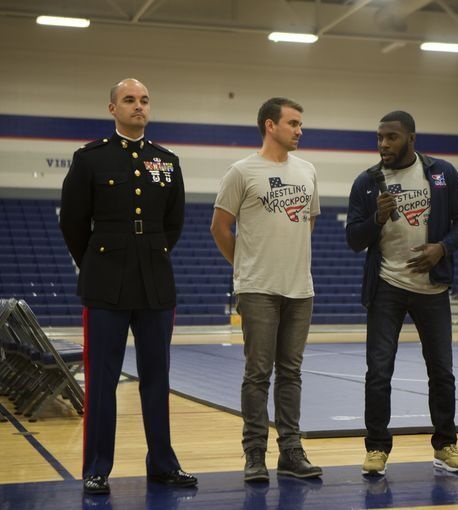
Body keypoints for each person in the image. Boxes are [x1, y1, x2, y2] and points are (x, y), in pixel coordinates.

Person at [60, 78, 197, 494]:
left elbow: (173, 223)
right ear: (112, 108)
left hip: (155, 282)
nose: (139, 106)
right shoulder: (90, 159)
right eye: (130, 100)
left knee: (157, 378)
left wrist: (149, 252)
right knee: (102, 381)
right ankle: (97, 467)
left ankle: (162, 463)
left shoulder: (166, 160)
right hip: (106, 284)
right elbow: (73, 222)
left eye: (144, 100)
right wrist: (99, 261)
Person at [346, 111, 458, 476]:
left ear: (411, 139)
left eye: (391, 137)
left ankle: (446, 445)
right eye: (379, 138)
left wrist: (442, 248)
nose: (383, 144)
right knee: (379, 372)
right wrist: (375, 219)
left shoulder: (441, 173)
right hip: (386, 287)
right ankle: (376, 448)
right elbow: (354, 239)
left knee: (442, 372)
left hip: (432, 288)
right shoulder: (367, 182)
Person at [210, 97, 322, 483]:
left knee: (291, 373)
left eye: (300, 123)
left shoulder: (307, 170)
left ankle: (290, 451)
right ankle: (254, 454)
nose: (299, 130)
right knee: (258, 373)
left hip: (300, 289)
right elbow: (220, 227)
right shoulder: (241, 172)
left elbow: (308, 222)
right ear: (270, 126)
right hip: (258, 288)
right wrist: (246, 267)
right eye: (293, 123)